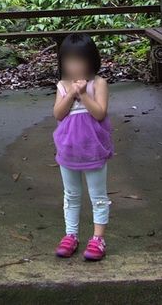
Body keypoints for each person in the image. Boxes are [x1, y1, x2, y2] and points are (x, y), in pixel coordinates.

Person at [52, 33, 113, 261]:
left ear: (91, 61)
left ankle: (98, 238)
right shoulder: (62, 86)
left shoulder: (98, 84)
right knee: (71, 195)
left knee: (97, 195)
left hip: (93, 150)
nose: (74, 66)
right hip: (68, 150)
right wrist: (71, 94)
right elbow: (58, 114)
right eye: (69, 61)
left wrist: (83, 94)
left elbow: (99, 113)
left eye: (80, 61)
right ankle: (71, 234)